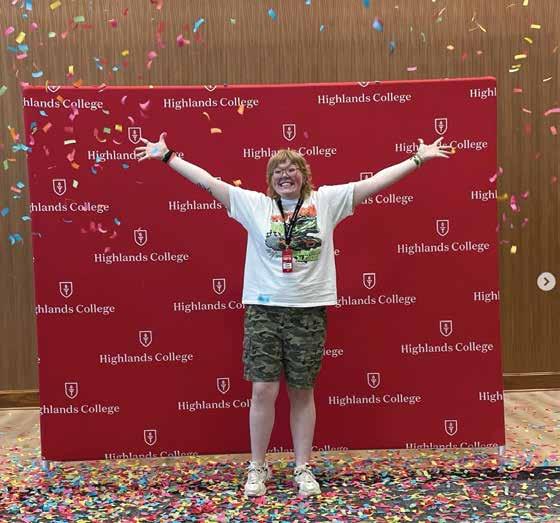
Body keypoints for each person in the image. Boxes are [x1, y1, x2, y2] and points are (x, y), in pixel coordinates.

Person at [134, 133, 452, 497]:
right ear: (270, 179)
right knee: (262, 390)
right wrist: (167, 156)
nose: (286, 175)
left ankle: (303, 467)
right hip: (264, 310)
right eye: (278, 171)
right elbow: (208, 182)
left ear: (304, 175)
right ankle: (258, 467)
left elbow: (374, 183)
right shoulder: (254, 205)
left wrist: (417, 159)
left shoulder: (326, 201)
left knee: (302, 391)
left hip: (308, 311)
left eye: (293, 169)